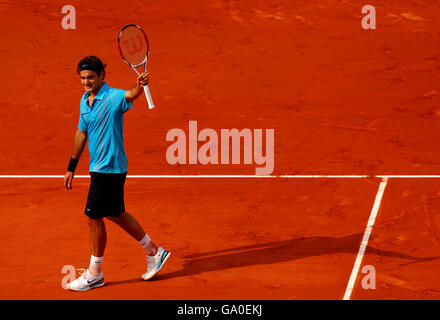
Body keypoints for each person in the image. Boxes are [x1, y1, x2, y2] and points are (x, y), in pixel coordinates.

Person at [63, 56, 170, 291]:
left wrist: (140, 85)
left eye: (91, 77)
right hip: (98, 167)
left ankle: (95, 273)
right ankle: (154, 251)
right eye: (82, 78)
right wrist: (71, 167)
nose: (86, 82)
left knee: (93, 217)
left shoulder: (113, 97)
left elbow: (129, 94)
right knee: (115, 213)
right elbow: (81, 134)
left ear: (102, 76)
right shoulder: (85, 101)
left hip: (109, 168)